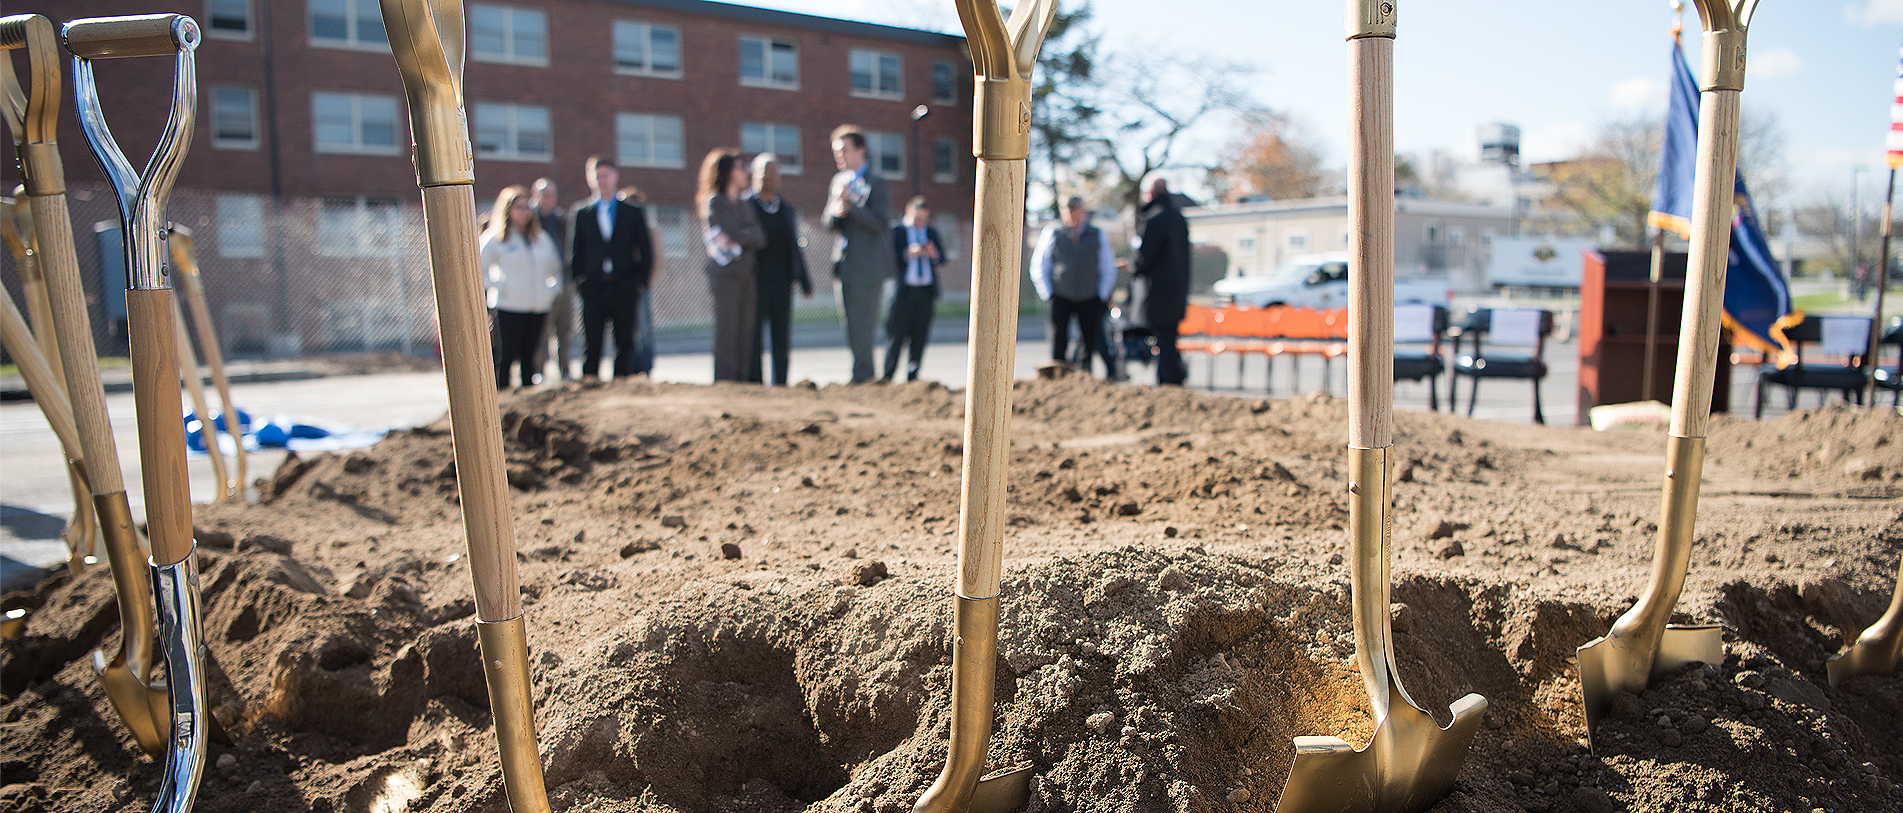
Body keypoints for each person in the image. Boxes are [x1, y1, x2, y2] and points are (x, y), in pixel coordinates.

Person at [570, 156, 654, 380]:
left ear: (616, 176)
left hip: (624, 287)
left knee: (624, 343)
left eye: (606, 175)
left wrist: (638, 282)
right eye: (597, 176)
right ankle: (590, 388)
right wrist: (581, 283)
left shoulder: (632, 212)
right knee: (592, 344)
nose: (602, 180)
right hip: (594, 288)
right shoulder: (582, 213)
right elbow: (576, 252)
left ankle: (622, 387)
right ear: (589, 179)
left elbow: (645, 251)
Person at [825, 125, 895, 383]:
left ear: (860, 149)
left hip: (869, 267)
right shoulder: (838, 182)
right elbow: (828, 222)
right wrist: (837, 210)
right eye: (836, 151)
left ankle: (864, 376)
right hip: (844, 266)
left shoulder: (876, 183)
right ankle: (860, 372)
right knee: (851, 325)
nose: (839, 156)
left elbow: (879, 224)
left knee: (865, 324)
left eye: (843, 149)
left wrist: (851, 208)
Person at [479, 184, 562, 388]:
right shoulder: (495, 238)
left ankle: (527, 400)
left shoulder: (541, 238)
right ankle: (502, 398)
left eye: (527, 207)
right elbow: (478, 270)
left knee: (530, 357)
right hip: (508, 306)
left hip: (537, 307)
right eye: (519, 207)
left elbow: (556, 270)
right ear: (507, 209)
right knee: (505, 356)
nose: (524, 212)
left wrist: (550, 292)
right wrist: (502, 287)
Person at [698, 149, 767, 382]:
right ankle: (725, 383)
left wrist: (742, 237)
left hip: (747, 274)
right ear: (727, 172)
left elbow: (759, 236)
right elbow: (736, 232)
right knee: (727, 332)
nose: (745, 172)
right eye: (740, 168)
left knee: (745, 332)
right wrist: (744, 235)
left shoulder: (744, 203)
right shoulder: (715, 201)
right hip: (725, 277)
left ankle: (742, 382)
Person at [1030, 196, 1116, 376]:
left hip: (1090, 296)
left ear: (1083, 212)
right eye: (1068, 213)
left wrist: (1102, 293)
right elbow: (1040, 265)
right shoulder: (1053, 233)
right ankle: (1058, 376)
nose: (1072, 217)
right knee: (1059, 339)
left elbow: (1107, 266)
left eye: (1076, 212)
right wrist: (1048, 293)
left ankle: (1084, 375)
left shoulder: (1097, 234)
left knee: (1088, 341)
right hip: (1061, 294)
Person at [746, 153, 812, 386]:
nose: (771, 177)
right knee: (753, 334)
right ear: (754, 175)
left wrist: (804, 280)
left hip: (782, 280)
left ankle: (781, 383)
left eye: (775, 172)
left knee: (781, 334)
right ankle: (754, 382)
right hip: (755, 280)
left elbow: (794, 245)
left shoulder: (786, 209)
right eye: (765, 171)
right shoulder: (746, 206)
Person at [1131, 178, 1192, 386]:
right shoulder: (1178, 218)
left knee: (1164, 340)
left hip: (1157, 293)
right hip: (1177, 291)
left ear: (1149, 194)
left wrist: (1133, 264)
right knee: (1168, 338)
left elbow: (1145, 258)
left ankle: (1169, 383)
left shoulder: (1154, 219)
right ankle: (1174, 377)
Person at [883, 197, 946, 382]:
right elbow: (887, 258)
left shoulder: (930, 232)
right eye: (917, 218)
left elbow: (942, 258)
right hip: (903, 292)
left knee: (920, 336)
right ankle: (888, 376)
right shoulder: (897, 232)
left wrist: (933, 253)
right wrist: (907, 253)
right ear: (908, 213)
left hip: (925, 292)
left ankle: (913, 376)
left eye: (924, 219)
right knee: (896, 335)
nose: (920, 223)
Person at [529, 177, 575, 381]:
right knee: (541, 331)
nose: (548, 199)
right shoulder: (529, 220)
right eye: (544, 195)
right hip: (539, 283)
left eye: (551, 195)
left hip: (563, 281)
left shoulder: (562, 219)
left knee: (564, 329)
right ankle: (538, 371)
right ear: (535, 195)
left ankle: (565, 370)